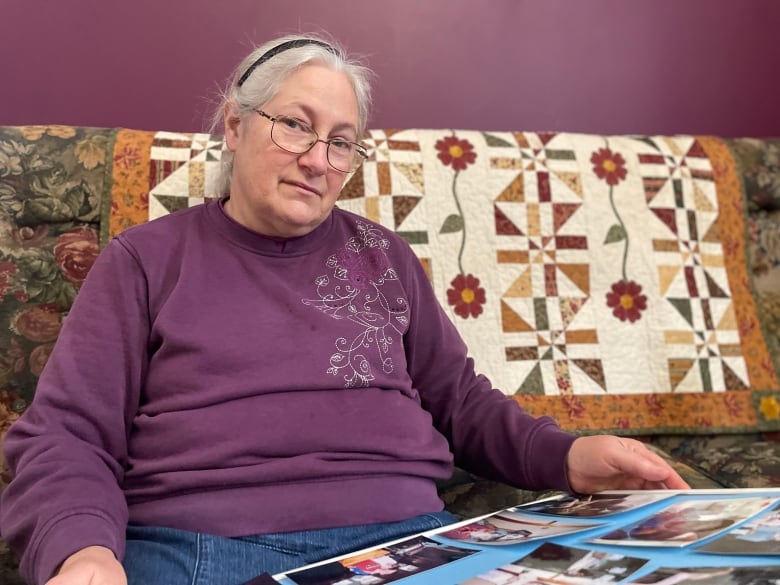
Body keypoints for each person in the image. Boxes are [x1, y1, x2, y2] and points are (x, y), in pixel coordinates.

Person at [0, 33, 689, 585]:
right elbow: (66, 432)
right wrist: (81, 548)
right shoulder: (145, 259)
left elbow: (463, 402)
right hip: (202, 549)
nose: (318, 160)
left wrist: (569, 455)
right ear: (235, 127)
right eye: (295, 126)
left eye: (340, 141)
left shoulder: (383, 255)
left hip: (407, 545)